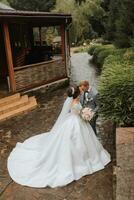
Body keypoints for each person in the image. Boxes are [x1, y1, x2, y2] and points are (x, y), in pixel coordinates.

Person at [7, 86, 111, 188]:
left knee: (81, 140)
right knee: (75, 142)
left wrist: (85, 113)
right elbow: (78, 113)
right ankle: (81, 161)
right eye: (79, 92)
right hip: (75, 122)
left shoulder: (72, 101)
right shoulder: (75, 103)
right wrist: (86, 114)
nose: (80, 93)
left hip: (73, 121)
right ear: (76, 95)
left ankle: (85, 158)